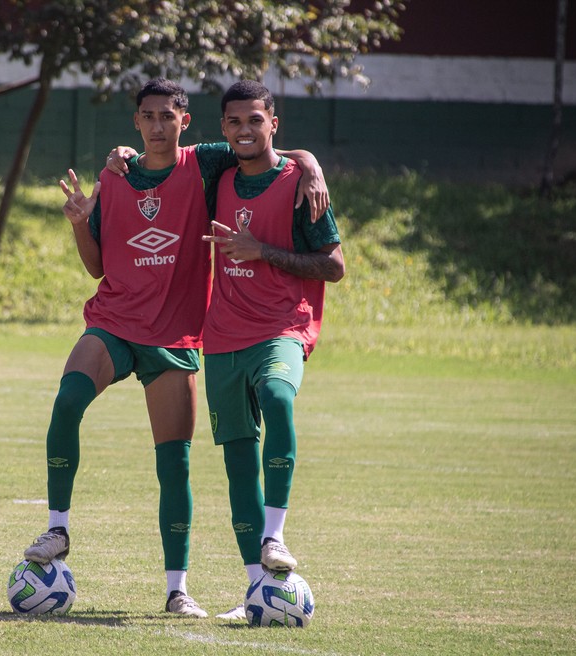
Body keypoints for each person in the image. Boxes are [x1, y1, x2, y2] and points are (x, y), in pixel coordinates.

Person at [23, 78, 327, 618]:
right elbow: (95, 265)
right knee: (67, 401)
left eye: (168, 115)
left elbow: (264, 147)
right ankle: (56, 530)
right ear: (136, 122)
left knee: (175, 465)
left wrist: (310, 163)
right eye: (148, 116)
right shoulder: (114, 174)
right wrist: (78, 223)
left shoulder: (206, 164)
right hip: (114, 322)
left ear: (184, 121)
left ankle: (177, 590)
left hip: (175, 338)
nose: (158, 125)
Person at [199, 80, 345, 620]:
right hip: (222, 337)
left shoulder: (301, 185)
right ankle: (256, 592)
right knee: (238, 463)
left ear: (273, 124)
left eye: (255, 121)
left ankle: (276, 537)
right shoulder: (216, 174)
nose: (244, 130)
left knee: (280, 400)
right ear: (223, 128)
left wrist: (263, 251)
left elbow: (334, 265)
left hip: (282, 328)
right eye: (234, 122)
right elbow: (163, 155)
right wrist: (121, 158)